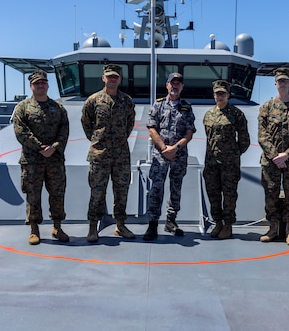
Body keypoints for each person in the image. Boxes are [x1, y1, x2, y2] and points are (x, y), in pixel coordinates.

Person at [13, 69, 70, 245]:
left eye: (43, 83)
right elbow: (20, 131)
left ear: (47, 85)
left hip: (54, 159)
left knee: (57, 194)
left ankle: (57, 227)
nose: (40, 85)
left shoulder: (58, 107)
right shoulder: (23, 107)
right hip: (32, 160)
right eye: (37, 83)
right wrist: (40, 147)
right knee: (33, 195)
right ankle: (34, 230)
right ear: (31, 86)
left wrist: (54, 147)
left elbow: (64, 130)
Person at [81, 64, 136, 243]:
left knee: (122, 192)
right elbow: (86, 123)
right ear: (103, 78)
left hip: (121, 155)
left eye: (116, 77)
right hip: (100, 154)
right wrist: (98, 140)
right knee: (97, 192)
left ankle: (120, 225)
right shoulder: (93, 100)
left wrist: (118, 140)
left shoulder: (126, 101)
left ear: (120, 79)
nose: (112, 79)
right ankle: (92, 227)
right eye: (109, 76)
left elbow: (129, 124)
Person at [258, 68, 289, 246]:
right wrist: (275, 156)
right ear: (275, 84)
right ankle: (273, 229)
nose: (282, 84)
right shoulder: (266, 107)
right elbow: (262, 135)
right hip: (271, 161)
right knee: (271, 193)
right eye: (279, 81)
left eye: (285, 81)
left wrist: (286, 155)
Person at [143, 72, 196, 241]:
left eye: (178, 83)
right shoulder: (158, 105)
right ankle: (152, 224)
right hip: (160, 154)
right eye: (172, 83)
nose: (175, 86)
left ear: (182, 87)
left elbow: (189, 132)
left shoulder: (187, 107)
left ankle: (171, 221)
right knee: (156, 188)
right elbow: (152, 128)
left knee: (176, 187)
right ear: (167, 85)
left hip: (179, 154)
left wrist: (176, 147)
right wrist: (164, 148)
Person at [203, 80, 250, 239]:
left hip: (229, 164)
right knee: (213, 194)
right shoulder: (209, 114)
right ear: (213, 95)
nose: (220, 96)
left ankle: (228, 225)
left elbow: (244, 140)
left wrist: (233, 154)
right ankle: (218, 223)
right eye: (217, 93)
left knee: (229, 195)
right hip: (211, 163)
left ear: (228, 95)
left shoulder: (236, 114)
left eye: (223, 94)